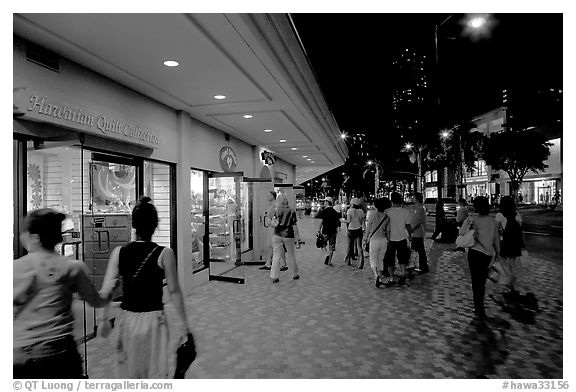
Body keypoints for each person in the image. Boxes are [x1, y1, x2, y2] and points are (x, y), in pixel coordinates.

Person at [98, 196, 192, 378]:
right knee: (154, 370)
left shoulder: (119, 252)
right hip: (154, 321)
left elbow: (107, 288)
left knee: (128, 371)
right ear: (155, 226)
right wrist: (184, 325)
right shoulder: (165, 254)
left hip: (127, 320)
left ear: (133, 225)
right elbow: (174, 292)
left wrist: (103, 320)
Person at [14, 208, 112, 378]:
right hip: (60, 351)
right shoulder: (73, 267)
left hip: (20, 352)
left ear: (34, 237)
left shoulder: (16, 267)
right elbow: (97, 301)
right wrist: (111, 289)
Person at [459, 196, 500, 320]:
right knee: (481, 281)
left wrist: (470, 229)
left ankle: (479, 308)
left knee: (476, 281)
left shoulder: (472, 219)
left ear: (476, 207)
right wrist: (498, 254)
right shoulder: (493, 221)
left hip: (475, 253)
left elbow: (461, 233)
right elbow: (496, 239)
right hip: (487, 254)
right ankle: (480, 307)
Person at [495, 195, 526, 293]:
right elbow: (520, 229)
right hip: (516, 241)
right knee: (512, 262)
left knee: (502, 260)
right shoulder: (517, 214)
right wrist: (523, 245)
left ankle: (510, 278)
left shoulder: (499, 215)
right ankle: (511, 279)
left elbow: (496, 229)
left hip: (506, 241)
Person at [383, 192, 412, 286]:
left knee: (390, 258)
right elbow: (408, 226)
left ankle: (391, 277)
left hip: (390, 239)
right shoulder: (405, 211)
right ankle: (403, 273)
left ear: (391, 200)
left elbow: (384, 226)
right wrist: (410, 235)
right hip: (402, 237)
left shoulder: (387, 212)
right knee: (402, 257)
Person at [271, 194, 302, 282]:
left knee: (276, 255)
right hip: (288, 235)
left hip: (277, 234)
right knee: (291, 255)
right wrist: (297, 239)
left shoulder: (276, 210)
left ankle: (274, 276)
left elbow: (273, 222)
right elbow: (294, 225)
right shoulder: (291, 211)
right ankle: (294, 273)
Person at [363, 198, 391, 287]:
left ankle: (376, 276)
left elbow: (368, 228)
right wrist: (389, 241)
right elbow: (388, 231)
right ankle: (380, 276)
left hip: (374, 240)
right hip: (383, 240)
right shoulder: (387, 217)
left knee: (373, 259)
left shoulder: (372, 214)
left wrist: (365, 239)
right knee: (380, 259)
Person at [260, 190, 287, 272]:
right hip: (272, 227)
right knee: (271, 245)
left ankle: (282, 264)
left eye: (269, 195)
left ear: (272, 196)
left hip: (274, 227)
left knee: (275, 245)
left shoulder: (275, 205)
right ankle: (269, 263)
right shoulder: (273, 204)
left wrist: (269, 219)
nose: (267, 197)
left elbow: (272, 215)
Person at [316, 197, 341, 266]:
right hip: (333, 232)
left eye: (325, 201)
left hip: (325, 231)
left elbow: (321, 221)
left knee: (322, 244)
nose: (324, 202)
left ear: (327, 202)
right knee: (331, 247)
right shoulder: (334, 211)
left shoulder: (324, 211)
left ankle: (326, 255)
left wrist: (318, 230)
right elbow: (337, 221)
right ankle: (329, 261)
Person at [342, 198, 366, 268]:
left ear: (352, 204)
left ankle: (348, 260)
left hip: (351, 229)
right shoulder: (361, 211)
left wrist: (342, 221)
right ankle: (361, 261)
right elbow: (362, 222)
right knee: (359, 246)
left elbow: (349, 221)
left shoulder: (349, 211)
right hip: (359, 229)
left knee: (349, 245)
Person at [411, 193, 429, 274]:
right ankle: (421, 266)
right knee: (419, 249)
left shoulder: (420, 208)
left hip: (418, 232)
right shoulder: (420, 207)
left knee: (419, 249)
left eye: (414, 198)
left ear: (416, 199)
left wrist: (410, 229)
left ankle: (422, 266)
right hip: (418, 232)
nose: (413, 199)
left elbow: (417, 221)